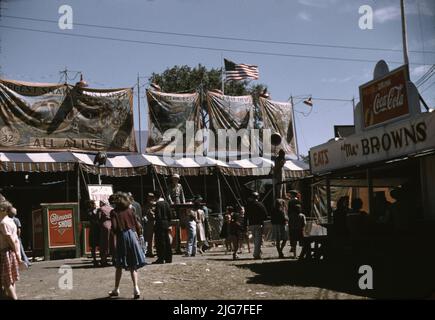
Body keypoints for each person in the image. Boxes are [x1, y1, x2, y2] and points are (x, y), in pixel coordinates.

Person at [108, 192, 145, 299]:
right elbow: (137, 225)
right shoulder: (130, 210)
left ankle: (116, 289)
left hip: (122, 237)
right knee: (133, 264)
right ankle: (136, 288)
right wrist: (139, 235)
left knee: (119, 264)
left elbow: (114, 227)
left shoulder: (114, 212)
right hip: (132, 236)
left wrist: (113, 235)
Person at [0, 201, 26, 300]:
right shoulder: (11, 220)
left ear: (3, 210)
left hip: (6, 252)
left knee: (6, 281)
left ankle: (14, 298)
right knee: (12, 279)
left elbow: (9, 239)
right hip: (12, 251)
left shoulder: (3, 223)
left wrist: (17, 254)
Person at [245, 192, 268, 260]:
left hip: (251, 224)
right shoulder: (260, 204)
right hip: (258, 223)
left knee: (255, 239)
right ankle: (256, 254)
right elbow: (265, 214)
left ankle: (258, 252)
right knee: (258, 240)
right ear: (257, 197)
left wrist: (245, 224)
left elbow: (246, 216)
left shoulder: (248, 205)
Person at [153, 190, 172, 264]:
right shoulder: (166, 203)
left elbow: (158, 215)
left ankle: (161, 258)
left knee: (160, 242)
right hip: (166, 223)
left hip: (160, 224)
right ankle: (168, 258)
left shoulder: (158, 204)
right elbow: (170, 214)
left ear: (155, 196)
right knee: (167, 241)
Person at [97, 200, 113, 267]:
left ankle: (103, 260)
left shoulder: (101, 209)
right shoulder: (112, 208)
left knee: (104, 243)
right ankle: (113, 259)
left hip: (104, 226)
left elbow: (98, 218)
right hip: (112, 226)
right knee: (112, 243)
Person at [87, 200, 100, 267]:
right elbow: (91, 217)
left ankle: (102, 259)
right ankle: (94, 259)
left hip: (98, 229)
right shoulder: (90, 211)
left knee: (100, 244)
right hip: (93, 229)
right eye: (93, 204)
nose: (95, 205)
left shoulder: (98, 210)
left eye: (95, 204)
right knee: (93, 245)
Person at [143, 193, 156, 258]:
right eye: (149, 197)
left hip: (154, 221)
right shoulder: (146, 205)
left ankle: (152, 251)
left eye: (151, 197)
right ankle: (150, 251)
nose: (150, 198)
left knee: (154, 237)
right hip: (149, 222)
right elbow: (144, 212)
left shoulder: (155, 204)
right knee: (149, 237)